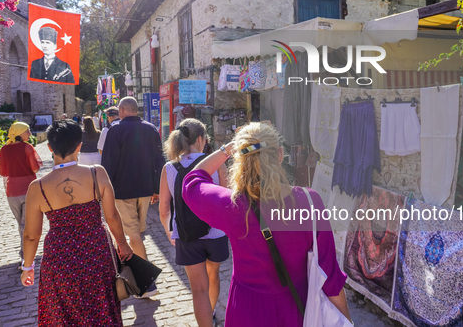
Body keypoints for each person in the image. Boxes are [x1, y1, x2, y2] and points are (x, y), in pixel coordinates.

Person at [183, 123, 352, 326]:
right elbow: (330, 277)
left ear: (240, 160)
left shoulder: (233, 205)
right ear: (280, 155)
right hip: (295, 309)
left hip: (246, 310)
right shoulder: (309, 201)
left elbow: (192, 181)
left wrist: (227, 149)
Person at [21, 120, 133, 325]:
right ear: (79, 146)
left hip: (59, 257)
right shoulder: (97, 173)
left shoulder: (37, 187)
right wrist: (123, 244)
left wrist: (27, 266)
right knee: (101, 306)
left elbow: (31, 235)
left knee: (63, 311)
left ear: (49, 147)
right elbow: (112, 216)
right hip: (96, 251)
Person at [159, 119, 229, 326]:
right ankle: (213, 312)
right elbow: (227, 199)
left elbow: (163, 208)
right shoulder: (217, 164)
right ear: (200, 139)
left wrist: (169, 232)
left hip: (185, 235)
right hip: (215, 233)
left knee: (198, 289)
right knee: (213, 275)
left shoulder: (169, 168)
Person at [101, 97, 165, 297]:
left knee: (134, 234)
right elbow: (159, 160)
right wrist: (157, 188)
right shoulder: (151, 129)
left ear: (121, 110)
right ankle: (140, 273)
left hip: (123, 190)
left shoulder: (116, 130)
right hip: (145, 189)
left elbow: (108, 163)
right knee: (136, 231)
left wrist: (104, 191)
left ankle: (147, 283)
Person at [0, 122, 43, 265]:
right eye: (27, 131)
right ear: (19, 133)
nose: (30, 134)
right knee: (28, 224)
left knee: (21, 224)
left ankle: (24, 253)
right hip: (29, 189)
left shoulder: (4, 149)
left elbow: (3, 172)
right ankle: (26, 255)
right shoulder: (27, 147)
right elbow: (35, 169)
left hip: (12, 192)